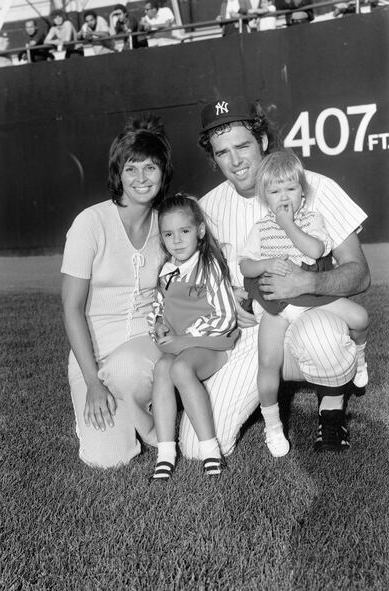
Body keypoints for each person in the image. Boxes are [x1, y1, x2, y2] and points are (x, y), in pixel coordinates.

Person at [178, 96, 370, 459]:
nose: (234, 161)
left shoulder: (313, 186)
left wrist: (307, 283)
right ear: (213, 157)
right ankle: (272, 408)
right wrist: (224, 301)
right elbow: (192, 284)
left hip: (308, 316)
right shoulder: (207, 207)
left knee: (323, 338)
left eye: (242, 146)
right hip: (251, 335)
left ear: (263, 141)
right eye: (222, 153)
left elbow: (359, 274)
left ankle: (331, 406)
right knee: (195, 447)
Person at [238, 149, 369, 457]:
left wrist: (288, 226)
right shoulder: (259, 229)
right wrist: (267, 263)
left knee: (360, 317)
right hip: (277, 305)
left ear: (302, 192)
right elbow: (246, 266)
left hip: (310, 298)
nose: (284, 196)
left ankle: (360, 360)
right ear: (263, 196)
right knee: (268, 361)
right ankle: (272, 426)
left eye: (290, 188)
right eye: (275, 190)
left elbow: (314, 250)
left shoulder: (311, 220)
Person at [61, 116, 173, 468]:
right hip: (93, 358)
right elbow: (71, 308)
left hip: (145, 346)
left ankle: (155, 423)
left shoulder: (168, 222)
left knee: (127, 370)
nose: (141, 178)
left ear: (163, 172)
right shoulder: (90, 223)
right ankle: (131, 411)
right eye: (131, 168)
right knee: (107, 459)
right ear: (118, 174)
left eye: (150, 167)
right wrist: (93, 383)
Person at [148, 194, 239, 480]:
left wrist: (185, 339)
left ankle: (211, 450)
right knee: (161, 368)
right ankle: (165, 452)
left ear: (199, 231)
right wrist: (158, 324)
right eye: (168, 234)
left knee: (180, 367)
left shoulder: (208, 266)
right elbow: (159, 307)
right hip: (179, 345)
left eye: (184, 231)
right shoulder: (166, 272)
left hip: (212, 343)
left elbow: (225, 316)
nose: (176, 240)